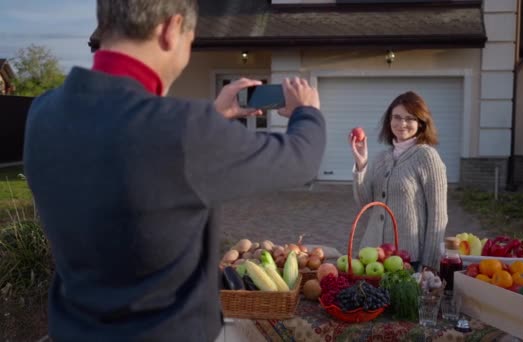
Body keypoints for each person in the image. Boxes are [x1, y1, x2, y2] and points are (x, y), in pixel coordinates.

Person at [23, 1, 325, 341]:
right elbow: (301, 159)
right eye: (190, 40)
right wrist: (307, 112)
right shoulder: (183, 131)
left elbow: (127, 148)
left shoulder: (43, 112)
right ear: (170, 29)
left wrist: (211, 119)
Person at [349, 91, 448, 270]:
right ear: (389, 121)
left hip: (407, 258)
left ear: (421, 123)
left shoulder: (427, 157)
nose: (402, 124)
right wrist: (361, 164)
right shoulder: (381, 158)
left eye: (410, 118)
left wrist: (430, 264)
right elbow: (366, 203)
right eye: (397, 117)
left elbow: (438, 216)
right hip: (372, 256)